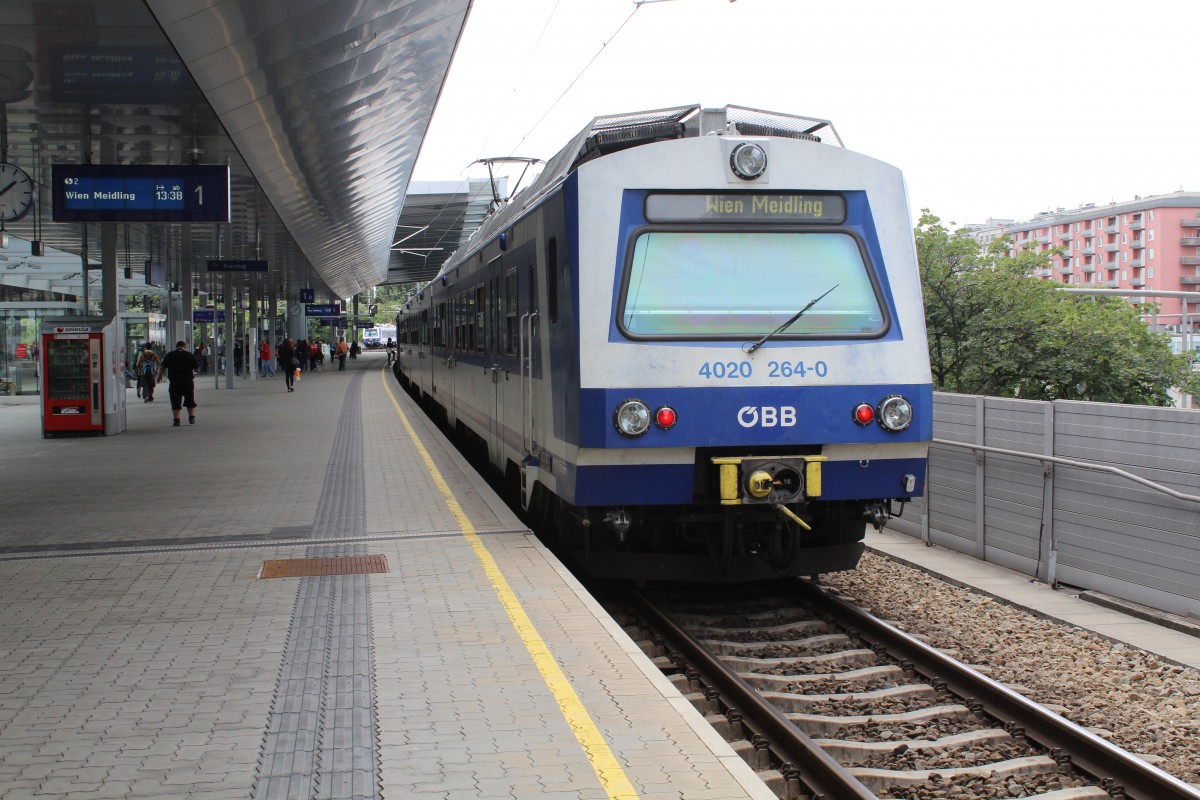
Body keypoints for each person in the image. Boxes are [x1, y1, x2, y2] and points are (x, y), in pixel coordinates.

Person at [157, 341, 200, 426]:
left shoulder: (170, 355)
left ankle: (177, 420)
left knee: (175, 401)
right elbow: (196, 367)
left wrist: (159, 376)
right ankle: (191, 418)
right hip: (188, 382)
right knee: (189, 399)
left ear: (176, 347)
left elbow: (163, 367)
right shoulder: (189, 355)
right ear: (184, 347)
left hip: (174, 382)